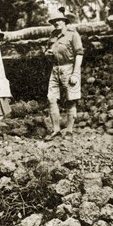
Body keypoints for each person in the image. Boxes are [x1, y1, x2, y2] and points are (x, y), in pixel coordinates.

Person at [44, 7, 84, 140]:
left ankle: (69, 131)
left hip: (69, 68)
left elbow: (79, 54)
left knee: (71, 100)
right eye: (54, 21)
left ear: (64, 21)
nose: (56, 23)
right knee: (51, 99)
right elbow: (47, 51)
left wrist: (75, 73)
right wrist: (47, 54)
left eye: (59, 20)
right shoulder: (52, 36)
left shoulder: (73, 34)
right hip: (55, 69)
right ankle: (56, 130)